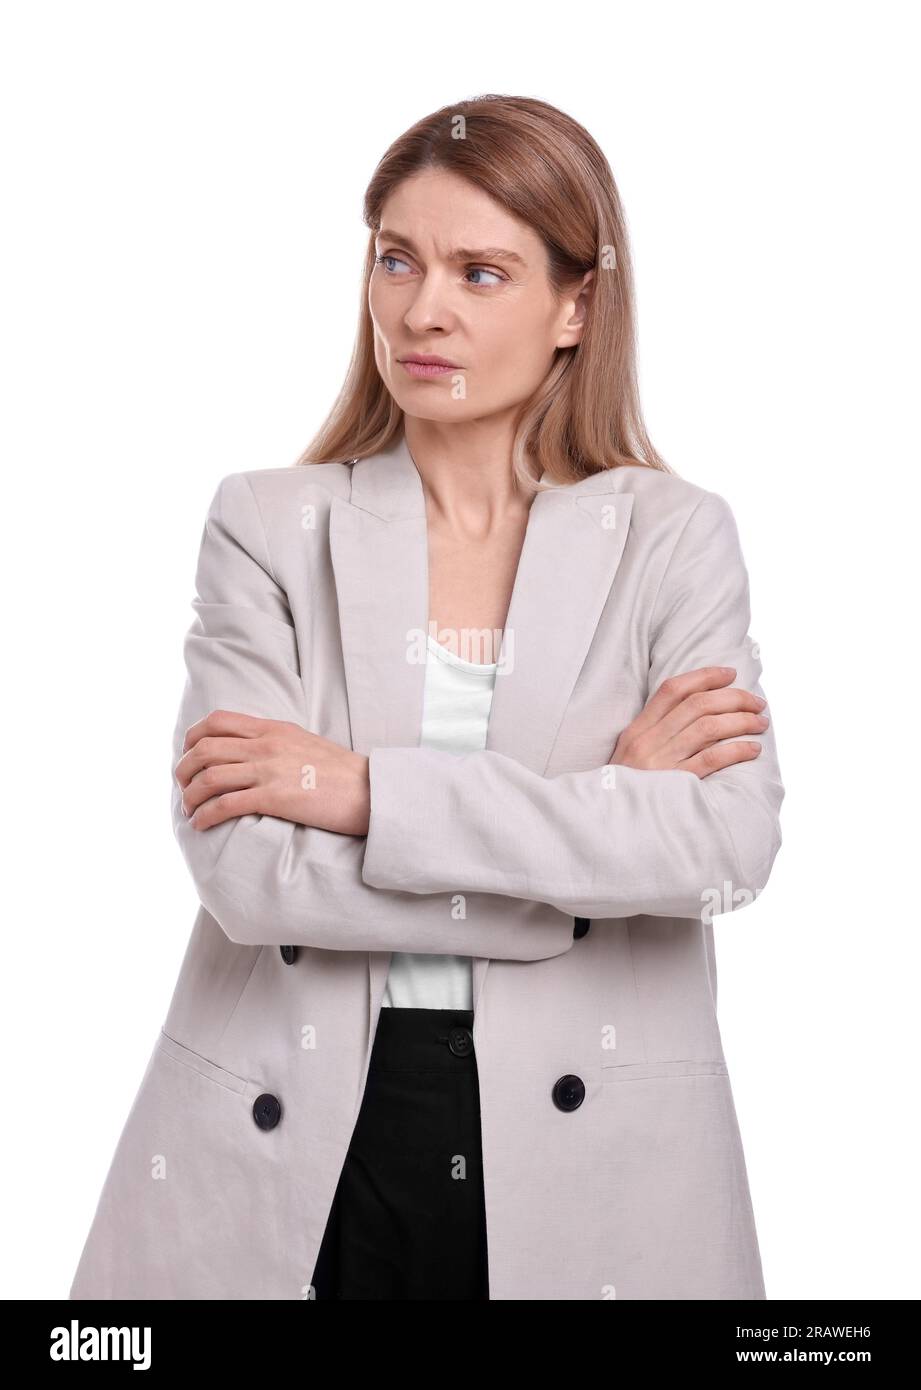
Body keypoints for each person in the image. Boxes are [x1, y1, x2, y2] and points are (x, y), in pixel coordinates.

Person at [69, 94, 783, 1301]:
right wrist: (585, 855)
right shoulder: (268, 528)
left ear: (578, 305)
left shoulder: (672, 538)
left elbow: (728, 842)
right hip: (296, 1133)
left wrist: (358, 790)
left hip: (595, 1147)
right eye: (397, 258)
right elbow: (247, 872)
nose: (422, 309)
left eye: (482, 271)